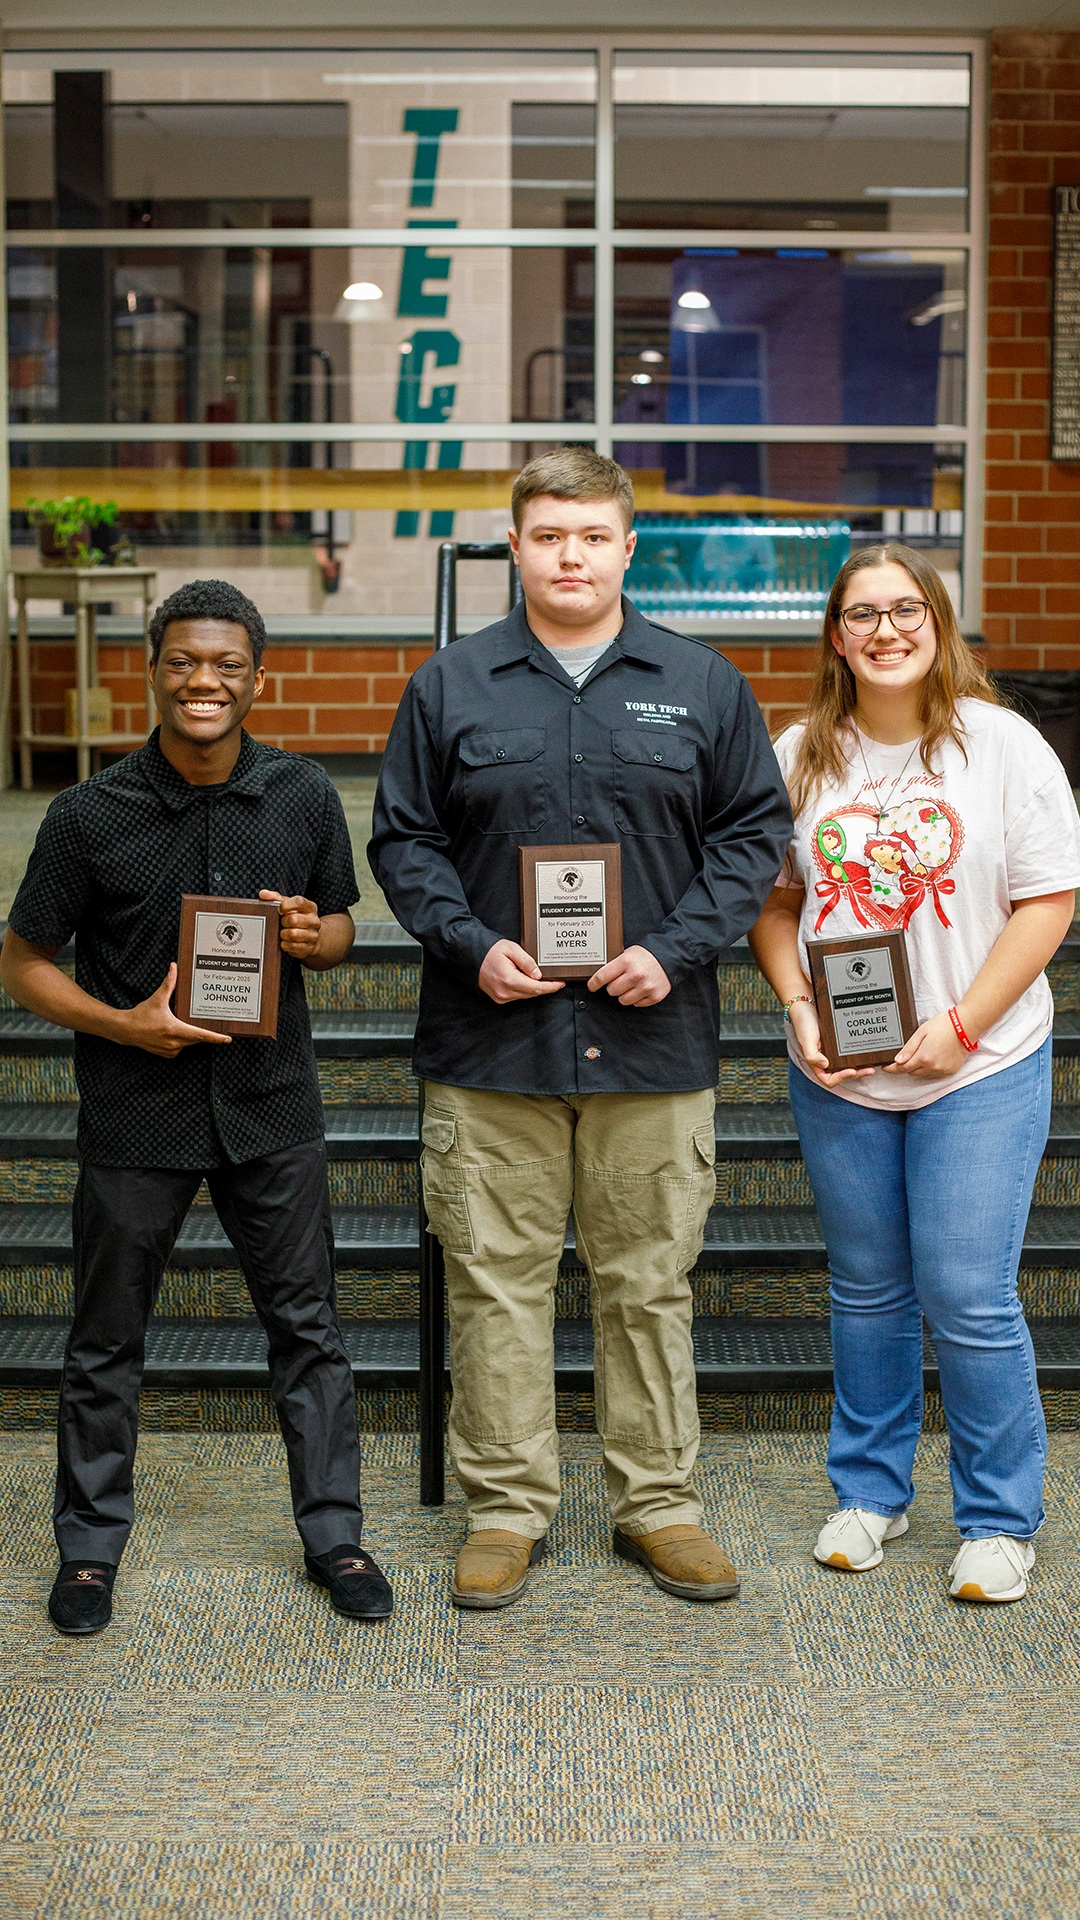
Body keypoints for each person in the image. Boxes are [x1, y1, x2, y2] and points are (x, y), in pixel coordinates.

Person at [369, 448, 792, 1609]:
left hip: (650, 1043)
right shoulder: (449, 685)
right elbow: (403, 840)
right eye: (549, 536)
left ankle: (659, 1506)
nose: (571, 556)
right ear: (516, 547)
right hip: (490, 1044)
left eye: (593, 536)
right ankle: (505, 1511)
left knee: (646, 1286)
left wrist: (674, 948)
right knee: (495, 1288)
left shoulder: (702, 684)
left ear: (627, 549)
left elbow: (751, 837)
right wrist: (468, 941)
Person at [1, 579, 393, 1633]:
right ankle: (89, 1550)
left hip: (271, 1109)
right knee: (105, 1338)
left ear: (258, 678)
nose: (203, 681)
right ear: (154, 671)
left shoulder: (304, 795)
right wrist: (120, 1024)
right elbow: (22, 961)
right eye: (183, 662)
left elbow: (341, 926)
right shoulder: (87, 815)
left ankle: (335, 1535)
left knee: (308, 1328)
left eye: (226, 664)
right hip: (137, 1112)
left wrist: (314, 935)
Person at [748, 542, 1080, 1603]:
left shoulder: (1002, 745)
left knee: (968, 1293)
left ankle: (999, 1518)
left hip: (979, 1065)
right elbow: (775, 903)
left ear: (937, 622)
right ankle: (870, 1492)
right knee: (867, 1290)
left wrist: (963, 1026)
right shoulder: (798, 753)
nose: (885, 631)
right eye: (862, 614)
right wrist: (797, 1006)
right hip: (840, 1071)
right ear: (835, 636)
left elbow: (1048, 900)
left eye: (905, 611)